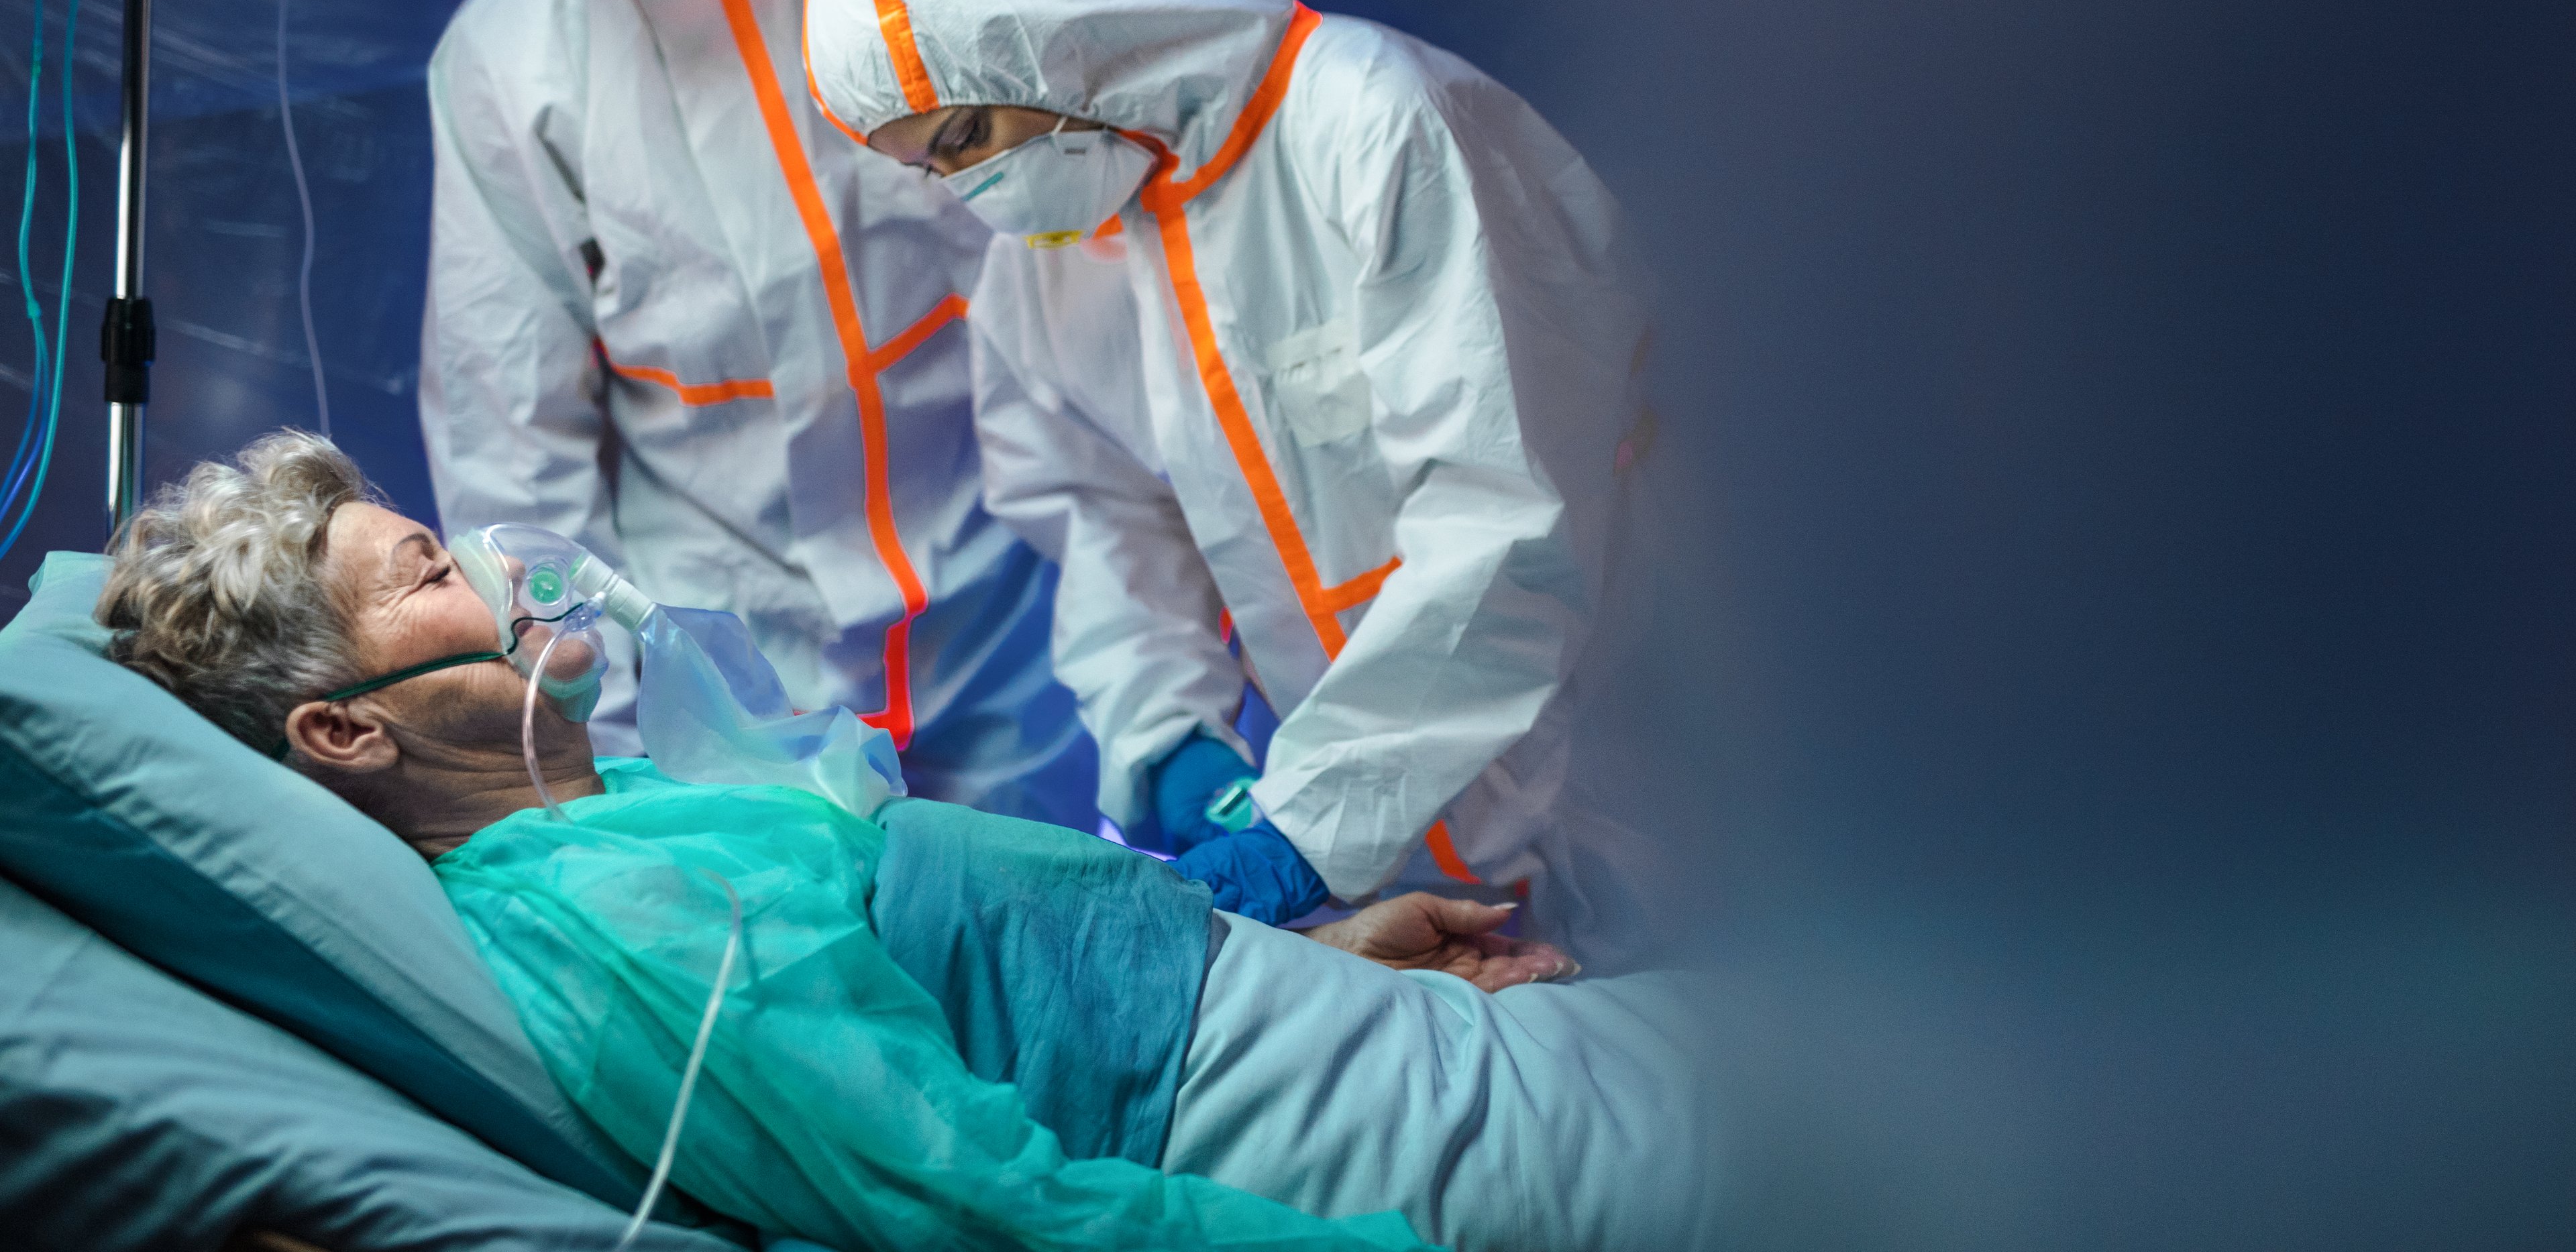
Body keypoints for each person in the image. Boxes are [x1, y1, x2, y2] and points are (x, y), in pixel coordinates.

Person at [98, 431, 1716, 1252]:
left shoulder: (632, 804)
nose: (529, 577)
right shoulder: (625, 916)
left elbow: (976, 982)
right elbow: (991, 1210)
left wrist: (1286, 947)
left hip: (1351, 1034)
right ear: (343, 726)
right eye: (440, 570)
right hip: (1350, 1152)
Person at [798, 0, 1660, 960]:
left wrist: (1305, 831)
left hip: (1638, 733)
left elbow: (1510, 515)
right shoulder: (1045, 272)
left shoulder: (1372, 121)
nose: (966, 187)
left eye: (964, 134)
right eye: (924, 166)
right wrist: (1169, 744)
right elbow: (1103, 523)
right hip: (1395, 817)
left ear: (1054, 38)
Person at [423, 0, 1138, 824]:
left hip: (1034, 616)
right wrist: (614, 750)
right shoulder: (508, 58)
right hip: (738, 672)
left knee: (1080, 965)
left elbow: (1160, 256)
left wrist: (1168, 673)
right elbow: (509, 448)